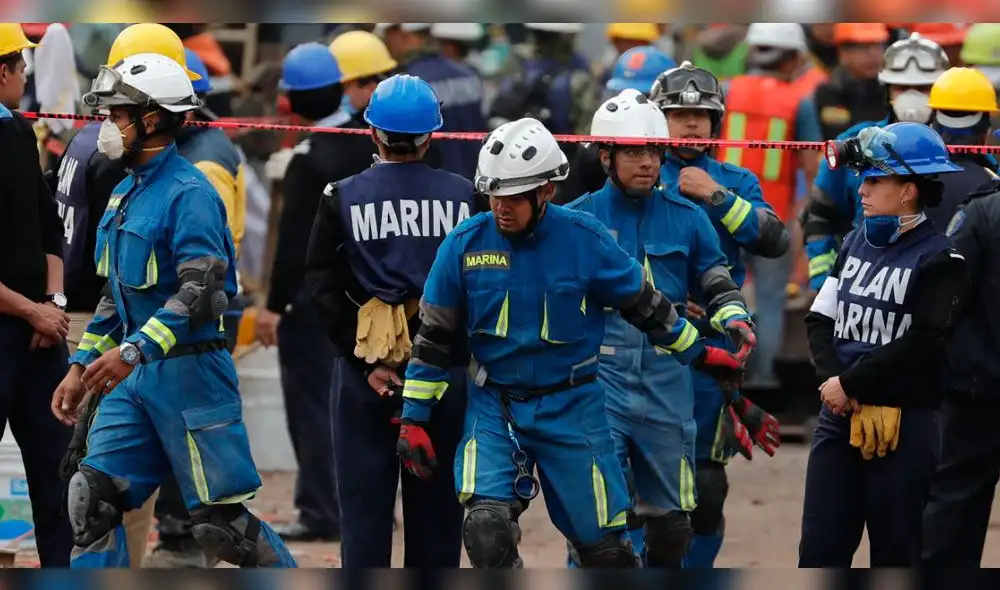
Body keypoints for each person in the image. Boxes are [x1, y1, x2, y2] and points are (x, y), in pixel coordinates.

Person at [395, 116, 750, 569]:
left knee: (605, 553)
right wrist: (413, 417)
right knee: (486, 530)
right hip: (496, 406)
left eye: (514, 197)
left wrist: (701, 354)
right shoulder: (463, 245)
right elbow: (434, 338)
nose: (501, 208)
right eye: (493, 195)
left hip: (574, 407)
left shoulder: (585, 239)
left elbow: (645, 306)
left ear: (545, 192)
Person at [48, 52, 296, 568]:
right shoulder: (123, 194)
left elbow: (200, 291)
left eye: (116, 114)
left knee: (220, 526)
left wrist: (133, 352)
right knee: (91, 503)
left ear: (152, 119)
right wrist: (79, 367)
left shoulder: (192, 195)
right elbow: (113, 300)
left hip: (192, 377)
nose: (107, 125)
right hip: (134, 381)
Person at [564, 90, 756, 568]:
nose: (647, 162)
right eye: (633, 151)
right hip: (599, 382)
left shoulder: (688, 217)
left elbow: (715, 276)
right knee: (600, 523)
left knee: (672, 529)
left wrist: (733, 315)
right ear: (606, 155)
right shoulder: (577, 220)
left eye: (653, 151)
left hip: (669, 383)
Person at [305, 74, 474, 569]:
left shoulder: (341, 194)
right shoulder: (465, 196)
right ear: (431, 135)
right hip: (442, 374)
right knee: (439, 514)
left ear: (372, 131)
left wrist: (363, 364)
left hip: (366, 375)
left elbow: (321, 284)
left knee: (362, 514)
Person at [800, 123, 968, 567]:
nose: (861, 190)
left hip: (906, 424)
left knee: (895, 552)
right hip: (841, 415)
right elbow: (820, 317)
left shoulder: (941, 260)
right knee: (819, 549)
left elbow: (925, 341)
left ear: (908, 190)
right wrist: (836, 384)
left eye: (874, 180)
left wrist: (854, 383)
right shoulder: (854, 241)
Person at [649, 62, 788, 568]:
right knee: (635, 489)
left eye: (701, 115)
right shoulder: (637, 171)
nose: (690, 125)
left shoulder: (736, 179)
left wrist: (716, 196)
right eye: (678, 114)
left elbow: (774, 240)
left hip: (713, 351)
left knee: (706, 490)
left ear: (717, 123)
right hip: (644, 349)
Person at [140, 46, 254, 569]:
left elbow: (209, 256)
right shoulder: (201, 149)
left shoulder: (199, 164)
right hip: (184, 313)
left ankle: (187, 536)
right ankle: (182, 531)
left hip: (193, 315)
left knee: (193, 445)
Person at [257, 41, 357, 546]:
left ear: (290, 101)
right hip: (367, 304)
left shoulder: (309, 161)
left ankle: (321, 511)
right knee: (359, 407)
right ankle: (362, 505)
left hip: (313, 307)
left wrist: (273, 307)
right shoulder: (368, 141)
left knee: (313, 407)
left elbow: (293, 246)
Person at [0, 22, 75, 568]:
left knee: (58, 469)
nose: (26, 76)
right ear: (2, 71)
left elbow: (49, 228)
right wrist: (30, 310)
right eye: (21, 67)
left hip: (38, 337)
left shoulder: (17, 135)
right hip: (15, 325)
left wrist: (53, 304)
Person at [719, 23, 825, 386]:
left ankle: (723, 374)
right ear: (794, 57)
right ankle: (760, 380)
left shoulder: (725, 91)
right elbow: (813, 173)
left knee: (716, 291)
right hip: (772, 219)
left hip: (718, 212)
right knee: (769, 300)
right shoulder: (800, 103)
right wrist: (801, 221)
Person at [803, 32, 950, 293]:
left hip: (940, 286)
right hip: (865, 289)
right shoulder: (853, 143)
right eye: (902, 88)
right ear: (886, 90)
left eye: (925, 87)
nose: (912, 97)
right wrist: (824, 283)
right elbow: (820, 215)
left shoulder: (958, 148)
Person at [921, 90, 1000, 569]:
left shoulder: (982, 211)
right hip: (976, 384)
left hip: (977, 387)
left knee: (954, 504)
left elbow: (944, 291)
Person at [558, 45, 676, 205]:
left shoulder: (684, 151)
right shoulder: (593, 154)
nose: (634, 103)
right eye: (621, 93)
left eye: (645, 97)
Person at [377, 23, 485, 179]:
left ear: (402, 33)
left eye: (388, 36)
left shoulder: (406, 86)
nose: (386, 43)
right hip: (476, 184)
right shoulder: (468, 74)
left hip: (436, 190)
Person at [810, 24, 891, 141]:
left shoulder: (893, 91)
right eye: (863, 47)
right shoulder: (827, 94)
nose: (873, 54)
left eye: (878, 45)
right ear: (843, 52)